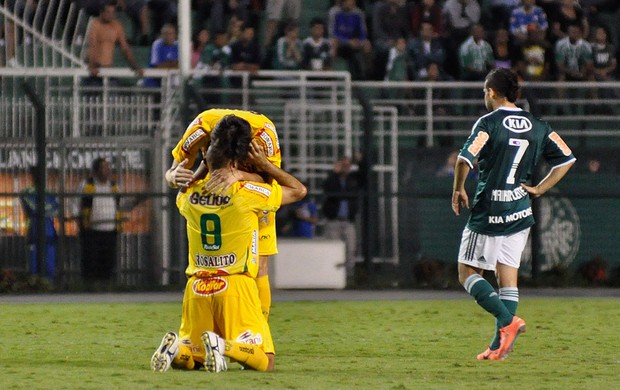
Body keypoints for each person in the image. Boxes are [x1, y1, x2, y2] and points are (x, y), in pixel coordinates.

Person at [151, 115, 307, 373]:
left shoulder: (188, 197)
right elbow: (299, 190)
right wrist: (262, 166)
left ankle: (177, 349)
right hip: (235, 283)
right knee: (265, 361)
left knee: (195, 357)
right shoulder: (247, 194)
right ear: (235, 162)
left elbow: (181, 185)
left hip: (196, 286)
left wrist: (193, 173)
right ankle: (223, 347)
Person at [451, 68, 576, 361]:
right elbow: (567, 158)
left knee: (467, 273)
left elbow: (464, 159)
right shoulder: (537, 124)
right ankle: (498, 347)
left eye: (485, 90)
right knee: (507, 280)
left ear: (492, 92)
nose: (485, 95)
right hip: (520, 209)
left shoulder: (489, 122)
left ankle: (508, 322)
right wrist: (540, 189)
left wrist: (458, 189)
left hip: (490, 209)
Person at [165, 109, 282, 322]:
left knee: (260, 263)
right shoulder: (200, 127)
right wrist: (174, 176)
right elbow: (172, 172)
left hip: (250, 196)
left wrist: (239, 175)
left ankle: (258, 329)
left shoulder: (265, 134)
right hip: (213, 195)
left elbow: (271, 180)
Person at [77, 158, 142, 286]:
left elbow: (121, 204)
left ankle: (106, 287)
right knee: (91, 262)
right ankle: (88, 288)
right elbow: (75, 203)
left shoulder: (114, 187)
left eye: (108, 168)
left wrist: (134, 202)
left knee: (107, 261)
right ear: (95, 171)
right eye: (103, 168)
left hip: (110, 230)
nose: (107, 171)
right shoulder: (87, 185)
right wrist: (77, 219)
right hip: (92, 231)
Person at [322, 155, 364, 285]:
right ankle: (333, 277)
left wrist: (361, 161)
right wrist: (334, 174)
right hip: (334, 220)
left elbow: (365, 177)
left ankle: (348, 278)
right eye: (343, 165)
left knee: (350, 249)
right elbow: (327, 188)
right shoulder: (333, 179)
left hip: (348, 221)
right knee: (333, 249)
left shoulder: (353, 180)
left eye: (347, 165)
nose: (345, 168)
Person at [84, 0, 144, 81]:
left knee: (113, 88)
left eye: (113, 12)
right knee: (93, 91)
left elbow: (125, 48)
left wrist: (134, 66)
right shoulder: (95, 24)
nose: (110, 15)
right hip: (95, 66)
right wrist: (92, 66)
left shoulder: (117, 26)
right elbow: (93, 45)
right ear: (101, 12)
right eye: (108, 12)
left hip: (107, 67)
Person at [20, 166, 59, 281]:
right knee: (33, 267)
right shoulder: (27, 193)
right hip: (34, 233)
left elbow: (56, 209)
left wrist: (44, 209)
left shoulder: (49, 193)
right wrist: (47, 208)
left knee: (49, 267)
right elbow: (34, 208)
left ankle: (48, 290)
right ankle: (34, 291)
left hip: (49, 234)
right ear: (31, 176)